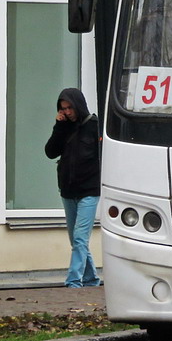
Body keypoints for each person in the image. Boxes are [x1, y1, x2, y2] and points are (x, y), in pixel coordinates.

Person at [44, 87, 103, 288]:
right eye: (63, 108)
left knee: (80, 237)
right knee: (76, 240)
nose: (67, 112)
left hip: (89, 191)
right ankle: (91, 279)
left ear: (78, 105)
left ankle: (73, 282)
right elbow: (50, 152)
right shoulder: (64, 128)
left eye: (70, 108)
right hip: (68, 192)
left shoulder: (94, 127)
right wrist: (58, 127)